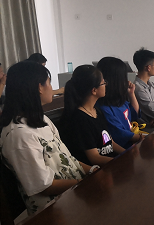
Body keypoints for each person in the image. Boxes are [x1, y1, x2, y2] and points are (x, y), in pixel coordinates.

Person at [0, 61, 92, 214]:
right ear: (39, 87)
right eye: (49, 82)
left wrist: (93, 171)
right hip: (54, 210)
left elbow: (68, 159)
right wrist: (83, 183)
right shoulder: (19, 134)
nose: (51, 87)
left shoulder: (41, 119)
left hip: (74, 191)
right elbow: (43, 186)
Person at [60, 65, 126, 166]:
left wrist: (128, 154)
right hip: (99, 169)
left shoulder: (97, 111)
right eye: (103, 83)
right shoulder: (80, 119)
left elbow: (110, 143)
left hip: (111, 163)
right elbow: (95, 158)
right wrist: (123, 162)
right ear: (94, 90)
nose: (106, 85)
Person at [96, 57, 144, 149]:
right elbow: (120, 134)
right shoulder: (103, 108)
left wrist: (131, 94)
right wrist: (142, 138)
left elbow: (135, 114)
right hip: (123, 149)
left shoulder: (118, 100)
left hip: (132, 144)